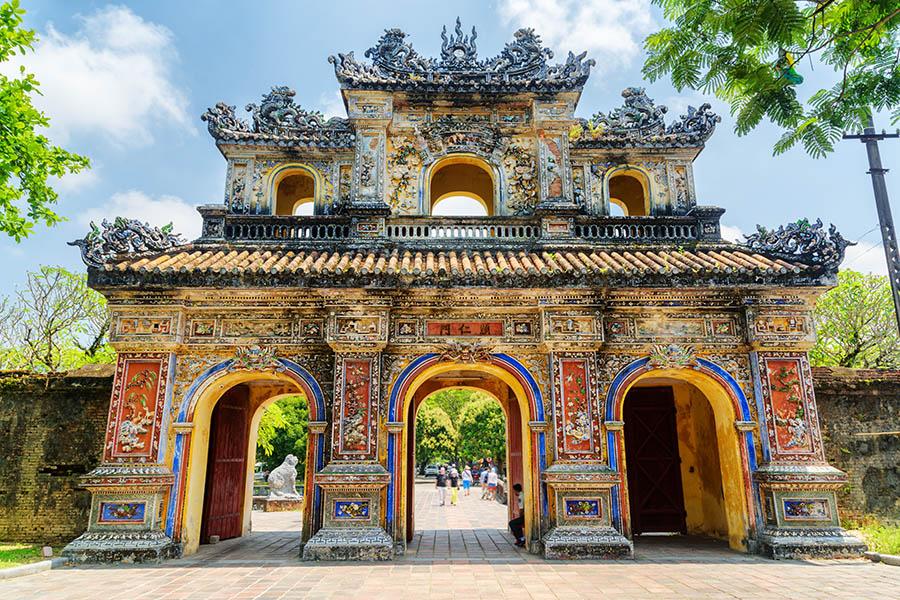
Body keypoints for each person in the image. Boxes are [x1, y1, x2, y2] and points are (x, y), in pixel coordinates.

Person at [508, 483, 525, 547]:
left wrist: (521, 517)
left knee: (512, 523)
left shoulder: (521, 497)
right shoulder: (523, 494)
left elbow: (521, 509)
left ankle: (520, 538)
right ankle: (520, 538)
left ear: (515, 490)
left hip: (524, 516)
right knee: (517, 524)